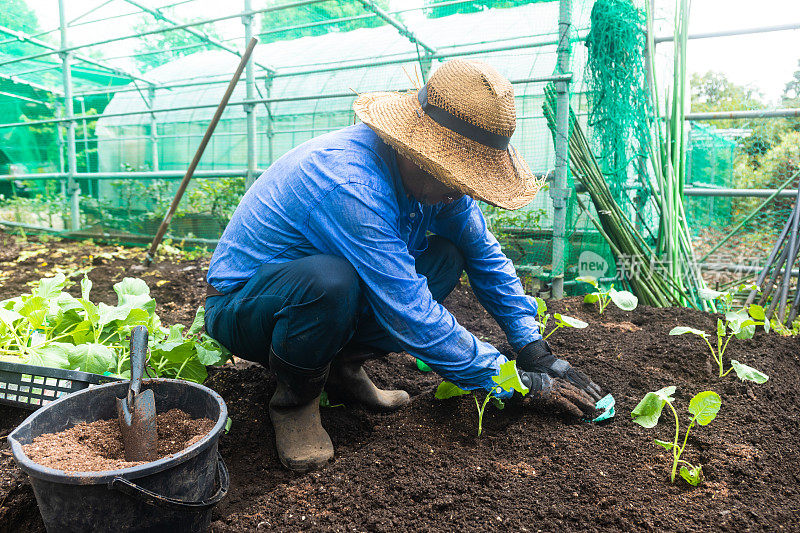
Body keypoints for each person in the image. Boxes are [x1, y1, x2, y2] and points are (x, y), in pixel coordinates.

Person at [204, 58, 604, 474]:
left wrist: (532, 350)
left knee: (448, 256)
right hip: (246, 307)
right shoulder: (350, 182)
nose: (461, 192)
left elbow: (485, 256)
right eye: (457, 177)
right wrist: (508, 380)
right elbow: (409, 310)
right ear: (419, 153)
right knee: (329, 282)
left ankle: (342, 368)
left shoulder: (440, 188)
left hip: (316, 301)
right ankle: (295, 401)